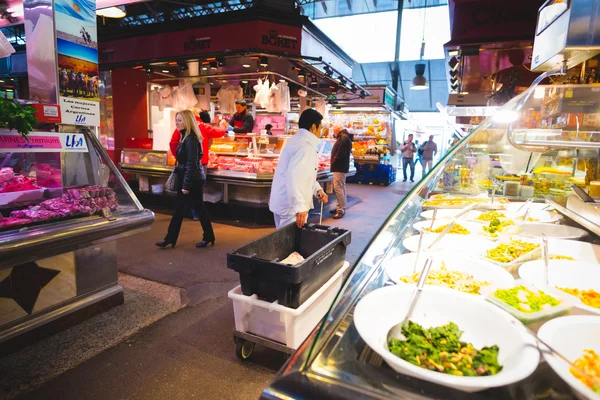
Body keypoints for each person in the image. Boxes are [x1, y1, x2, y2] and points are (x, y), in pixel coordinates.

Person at [156, 110, 215, 249]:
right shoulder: (186, 137)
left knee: (183, 209)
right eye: (176, 120)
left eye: (180, 120)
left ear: (188, 121)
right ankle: (208, 236)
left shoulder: (190, 139)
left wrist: (186, 185)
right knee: (194, 208)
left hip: (191, 180)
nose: (177, 123)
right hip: (190, 178)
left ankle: (170, 238)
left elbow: (191, 164)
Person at [269, 109, 328, 229]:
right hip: (291, 208)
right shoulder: (305, 146)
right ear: (313, 127)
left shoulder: (296, 140)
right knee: (289, 245)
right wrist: (300, 207)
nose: (320, 131)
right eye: (320, 127)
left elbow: (303, 174)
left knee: (283, 241)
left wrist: (317, 190)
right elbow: (294, 177)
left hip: (284, 202)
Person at [169, 111, 226, 221]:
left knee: (189, 193)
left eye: (179, 120)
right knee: (197, 192)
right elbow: (220, 132)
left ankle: (191, 214)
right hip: (200, 163)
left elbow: (173, 142)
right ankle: (196, 215)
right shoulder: (202, 127)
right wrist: (223, 125)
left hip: (185, 165)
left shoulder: (183, 130)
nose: (177, 123)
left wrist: (179, 157)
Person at [330, 128, 352, 219]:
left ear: (337, 130)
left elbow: (340, 153)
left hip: (339, 166)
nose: (333, 132)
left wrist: (333, 161)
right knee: (341, 187)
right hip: (341, 166)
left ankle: (340, 210)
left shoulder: (343, 138)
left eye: (334, 130)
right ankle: (339, 207)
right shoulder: (345, 137)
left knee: (338, 187)